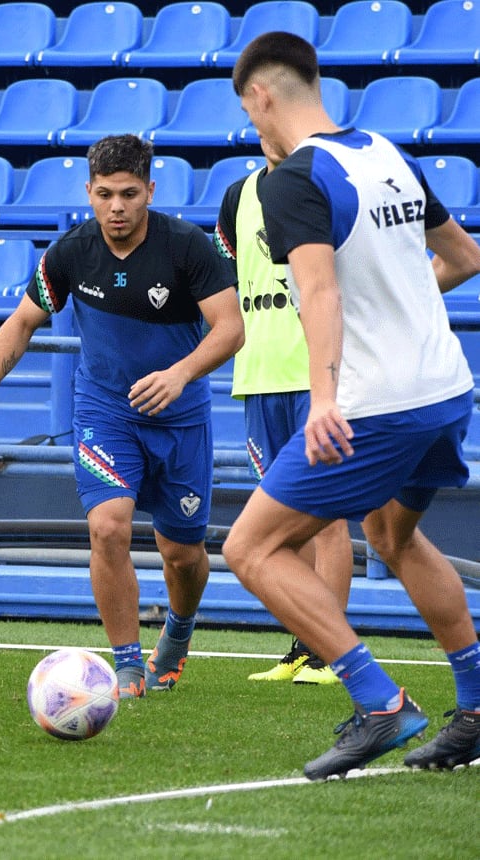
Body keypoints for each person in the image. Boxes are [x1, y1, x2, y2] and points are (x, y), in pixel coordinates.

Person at [223, 31, 480, 778]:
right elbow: (465, 258)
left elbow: (319, 292)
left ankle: (379, 703)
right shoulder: (386, 153)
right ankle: (474, 708)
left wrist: (324, 397)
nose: (254, 129)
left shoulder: (291, 179)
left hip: (376, 403)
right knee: (392, 539)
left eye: (250, 113)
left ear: (262, 95)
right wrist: (398, 312)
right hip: (443, 389)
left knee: (249, 548)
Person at [0, 134, 244, 700]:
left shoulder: (188, 248)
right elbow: (20, 324)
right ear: (89, 192)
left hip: (180, 417)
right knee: (107, 526)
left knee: (181, 554)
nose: (117, 207)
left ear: (150, 192)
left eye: (130, 194)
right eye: (106, 194)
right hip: (105, 410)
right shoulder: (70, 252)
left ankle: (178, 635)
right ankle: (128, 663)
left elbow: (232, 327)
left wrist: (180, 373)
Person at [214, 138, 351, 686]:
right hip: (258, 376)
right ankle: (304, 643)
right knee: (282, 526)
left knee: (328, 517)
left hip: (312, 378)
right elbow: (229, 284)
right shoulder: (236, 196)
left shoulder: (325, 187)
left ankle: (333, 653)